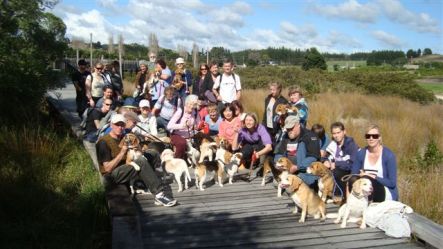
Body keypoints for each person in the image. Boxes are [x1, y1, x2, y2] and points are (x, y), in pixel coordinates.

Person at [96, 114, 177, 207]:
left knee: (152, 153)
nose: (120, 127)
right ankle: (159, 195)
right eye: (117, 125)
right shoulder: (103, 142)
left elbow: (139, 149)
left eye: (122, 125)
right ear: (111, 125)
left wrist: (138, 149)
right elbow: (107, 169)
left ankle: (144, 182)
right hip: (112, 175)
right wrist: (122, 152)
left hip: (127, 166)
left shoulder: (125, 136)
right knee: (141, 161)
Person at [350, 124, 398, 202]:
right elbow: (353, 175)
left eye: (374, 136)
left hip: (385, 191)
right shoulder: (361, 153)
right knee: (353, 180)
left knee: (369, 179)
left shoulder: (389, 156)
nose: (371, 138)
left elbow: (392, 183)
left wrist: (373, 176)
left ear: (379, 137)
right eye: (368, 136)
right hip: (365, 191)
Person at [274, 115, 321, 187]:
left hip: (304, 172)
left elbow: (313, 157)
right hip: (288, 170)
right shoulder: (285, 136)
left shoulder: (310, 136)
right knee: (276, 183)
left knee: (292, 185)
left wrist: (297, 167)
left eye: (291, 128)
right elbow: (279, 153)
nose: (289, 131)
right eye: (287, 129)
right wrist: (279, 164)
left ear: (298, 125)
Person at [323, 122, 359, 198]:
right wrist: (325, 161)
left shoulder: (351, 145)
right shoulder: (332, 144)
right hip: (334, 170)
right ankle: (327, 193)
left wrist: (336, 163)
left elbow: (353, 164)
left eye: (338, 132)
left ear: (344, 132)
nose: (336, 136)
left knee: (337, 171)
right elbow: (326, 157)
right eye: (334, 133)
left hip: (349, 172)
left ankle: (340, 195)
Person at [83, 98, 113, 171]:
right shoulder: (96, 112)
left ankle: (94, 172)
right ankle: (102, 179)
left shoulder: (106, 113)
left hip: (96, 138)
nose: (109, 106)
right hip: (90, 139)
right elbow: (98, 126)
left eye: (110, 105)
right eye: (107, 104)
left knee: (99, 158)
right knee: (96, 160)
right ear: (103, 104)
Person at [167, 94, 199, 159]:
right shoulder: (180, 111)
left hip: (190, 135)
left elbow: (197, 125)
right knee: (182, 143)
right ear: (186, 103)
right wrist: (182, 126)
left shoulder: (195, 112)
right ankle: (177, 160)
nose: (192, 106)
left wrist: (197, 127)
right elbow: (169, 126)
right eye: (190, 104)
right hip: (177, 134)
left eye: (194, 105)